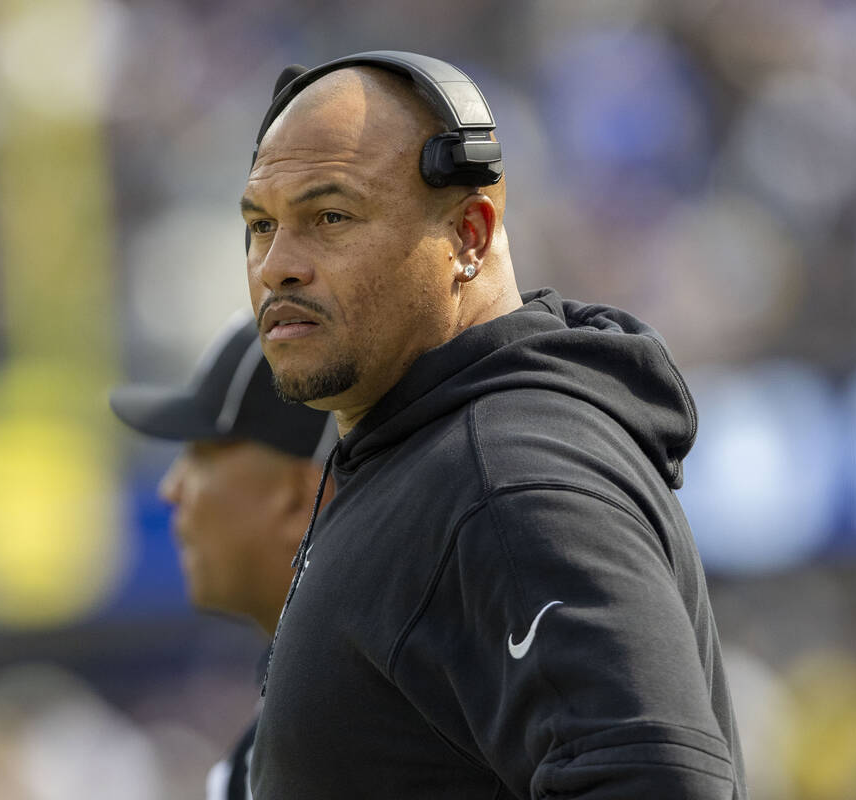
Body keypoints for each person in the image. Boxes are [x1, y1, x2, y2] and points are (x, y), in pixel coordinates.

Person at [240, 51, 748, 799]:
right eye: (260, 225)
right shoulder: (423, 456)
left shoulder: (509, 482)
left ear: (470, 235)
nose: (276, 265)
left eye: (330, 216)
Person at [110, 310, 335, 800]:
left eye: (202, 454)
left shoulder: (382, 719)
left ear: (300, 495)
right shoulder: (292, 723)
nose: (171, 488)